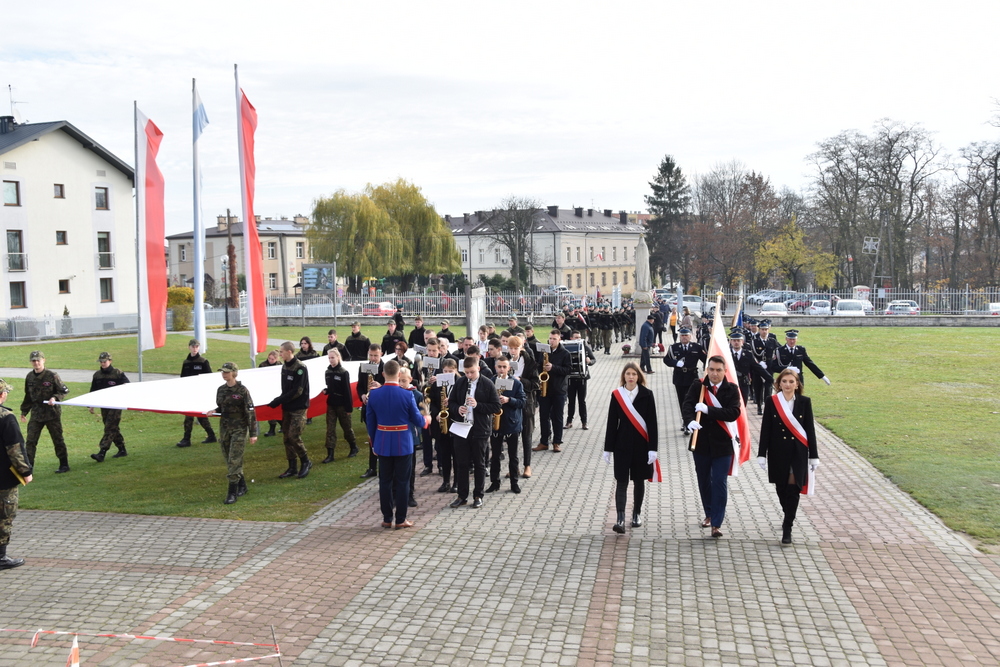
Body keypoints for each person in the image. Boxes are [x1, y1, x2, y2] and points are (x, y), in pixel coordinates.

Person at [757, 368, 820, 545]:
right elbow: (766, 429)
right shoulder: (772, 401)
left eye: (791, 381)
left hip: (798, 452)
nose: (787, 384)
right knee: (781, 489)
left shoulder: (804, 402)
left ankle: (787, 526)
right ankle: (788, 513)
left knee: (793, 488)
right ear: (779, 384)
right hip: (777, 451)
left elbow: (810, 430)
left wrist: (814, 456)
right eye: (784, 381)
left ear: (797, 384)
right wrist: (761, 454)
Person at [683, 356, 742, 538]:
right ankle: (709, 513)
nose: (714, 373)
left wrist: (709, 410)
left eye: (718, 370)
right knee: (704, 481)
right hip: (701, 443)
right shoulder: (698, 386)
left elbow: (733, 413)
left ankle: (716, 523)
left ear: (725, 371)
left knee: (719, 482)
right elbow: (687, 405)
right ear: (707, 370)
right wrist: (689, 421)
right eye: (711, 369)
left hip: (722, 445)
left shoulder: (732, 389)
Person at [366, 360, 427, 529]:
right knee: (402, 482)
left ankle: (387, 518)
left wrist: (374, 443)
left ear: (383, 374)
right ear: (399, 374)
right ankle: (400, 519)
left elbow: (370, 422)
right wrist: (426, 420)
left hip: (383, 441)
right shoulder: (407, 395)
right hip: (403, 442)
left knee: (385, 481)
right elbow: (418, 420)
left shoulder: (374, 395)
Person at [603, 363, 658, 533]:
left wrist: (653, 448)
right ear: (624, 376)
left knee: (639, 480)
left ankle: (636, 514)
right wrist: (608, 448)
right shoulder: (617, 395)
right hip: (622, 445)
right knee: (621, 481)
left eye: (634, 374)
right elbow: (612, 422)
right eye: (628, 373)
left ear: (638, 376)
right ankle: (620, 518)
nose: (631, 377)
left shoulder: (647, 394)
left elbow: (652, 423)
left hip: (641, 445)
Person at [448, 357, 501, 508]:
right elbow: (451, 402)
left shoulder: (487, 384)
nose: (469, 375)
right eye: (466, 373)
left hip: (480, 429)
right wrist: (457, 408)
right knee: (462, 463)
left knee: (479, 463)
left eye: (472, 372)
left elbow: (496, 406)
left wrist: (478, 405)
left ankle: (478, 495)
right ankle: (462, 496)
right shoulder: (460, 382)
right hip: (462, 428)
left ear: (478, 368)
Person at [267, 341, 313, 479]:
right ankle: (292, 466)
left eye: (281, 352)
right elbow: (285, 388)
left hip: (298, 407)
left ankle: (305, 461)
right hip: (287, 407)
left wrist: (279, 400)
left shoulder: (300, 368)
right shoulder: (284, 367)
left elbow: (297, 391)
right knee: (286, 437)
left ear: (289, 352)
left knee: (294, 436)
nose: (280, 354)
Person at [1, 378, 33, 569]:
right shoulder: (6, 417)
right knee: (5, 515)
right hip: (3, 478)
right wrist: (26, 471)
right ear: (2, 395)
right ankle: (1, 557)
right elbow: (15, 449)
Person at [20, 351, 70, 471]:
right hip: (36, 414)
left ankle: (64, 464)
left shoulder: (52, 375)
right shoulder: (29, 377)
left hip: (52, 413)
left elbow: (64, 390)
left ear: (43, 360)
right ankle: (29, 467)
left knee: (57, 439)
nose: (36, 363)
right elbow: (28, 396)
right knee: (31, 441)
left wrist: (55, 398)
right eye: (33, 360)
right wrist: (24, 411)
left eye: (38, 360)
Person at [216, 362, 258, 504]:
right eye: (223, 372)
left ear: (234, 373)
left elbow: (250, 412)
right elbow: (221, 407)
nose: (224, 374)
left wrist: (253, 433)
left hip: (239, 428)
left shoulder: (242, 391)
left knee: (234, 459)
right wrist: (214, 410)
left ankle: (231, 492)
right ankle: (242, 486)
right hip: (225, 428)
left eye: (227, 372)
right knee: (229, 459)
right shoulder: (221, 390)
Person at [487, 357, 525, 494]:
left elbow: (522, 402)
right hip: (495, 423)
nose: (502, 369)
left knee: (513, 456)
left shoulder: (516, 383)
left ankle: (514, 483)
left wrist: (509, 400)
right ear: (495, 367)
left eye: (504, 367)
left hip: (511, 423)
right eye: (499, 367)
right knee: (495, 455)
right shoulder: (491, 382)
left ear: (509, 368)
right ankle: (494, 482)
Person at [533, 330, 572, 453]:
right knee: (543, 416)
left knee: (557, 417)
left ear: (559, 339)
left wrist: (553, 367)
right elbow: (539, 366)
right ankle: (544, 442)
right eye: (550, 338)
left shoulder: (565, 353)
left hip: (559, 390)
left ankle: (557, 442)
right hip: (545, 389)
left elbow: (568, 370)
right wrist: (541, 369)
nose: (551, 341)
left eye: (554, 339)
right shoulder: (544, 351)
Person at [663, 327, 706, 434]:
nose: (684, 337)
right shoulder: (674, 347)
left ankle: (693, 420)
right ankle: (685, 422)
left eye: (686, 335)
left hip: (692, 377)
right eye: (682, 335)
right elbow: (666, 360)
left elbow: (705, 359)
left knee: (692, 400)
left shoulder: (696, 347)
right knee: (682, 401)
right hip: (680, 378)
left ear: (690, 336)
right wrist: (675, 363)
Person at [88, 352, 130, 462]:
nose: (102, 363)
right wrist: (90, 404)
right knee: (113, 427)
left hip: (116, 404)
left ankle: (102, 452)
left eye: (104, 361)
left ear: (110, 361)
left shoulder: (117, 373)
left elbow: (127, 386)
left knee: (109, 427)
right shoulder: (97, 375)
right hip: (104, 404)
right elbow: (93, 390)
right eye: (101, 361)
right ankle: (122, 449)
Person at [507, 335, 537, 478]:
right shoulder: (505, 361)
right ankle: (514, 467)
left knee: (526, 434)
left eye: (515, 348)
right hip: (511, 402)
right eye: (511, 348)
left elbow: (535, 384)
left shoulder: (530, 362)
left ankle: (527, 466)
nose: (513, 351)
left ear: (521, 348)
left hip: (526, 402)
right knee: (512, 436)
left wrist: (520, 380)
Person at [177, 339, 216, 448]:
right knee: (200, 416)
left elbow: (209, 377)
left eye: (196, 347)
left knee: (190, 415)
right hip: (189, 393)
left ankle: (186, 438)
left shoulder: (203, 361)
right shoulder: (186, 362)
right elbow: (182, 378)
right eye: (193, 346)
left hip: (200, 393)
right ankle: (211, 435)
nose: (195, 349)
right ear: (189, 347)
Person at [428, 357, 458, 492]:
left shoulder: (460, 383)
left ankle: (456, 482)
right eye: (445, 371)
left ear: (455, 370)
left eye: (450, 371)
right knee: (444, 454)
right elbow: (432, 402)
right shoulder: (437, 383)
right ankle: (446, 481)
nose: (447, 374)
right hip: (442, 423)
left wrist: (450, 403)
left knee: (456, 455)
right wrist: (436, 413)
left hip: (455, 422)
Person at [398, 367, 426, 508]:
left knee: (410, 467)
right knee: (397, 467)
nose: (401, 383)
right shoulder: (396, 393)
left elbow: (422, 414)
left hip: (411, 435)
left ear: (410, 379)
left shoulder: (417, 395)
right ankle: (396, 494)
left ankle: (410, 494)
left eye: (404, 380)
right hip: (398, 434)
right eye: (399, 380)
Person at [323, 349, 357, 463]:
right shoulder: (327, 372)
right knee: (330, 429)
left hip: (342, 404)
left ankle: (353, 447)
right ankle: (330, 454)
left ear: (338, 357)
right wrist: (326, 391)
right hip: (331, 404)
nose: (331, 360)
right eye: (329, 358)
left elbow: (347, 391)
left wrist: (349, 408)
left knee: (346, 428)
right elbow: (330, 387)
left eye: (333, 357)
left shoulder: (343, 372)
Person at [357, 344, 385, 478]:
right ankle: (372, 467)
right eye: (371, 355)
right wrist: (362, 395)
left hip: (381, 408)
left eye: (376, 355)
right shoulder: (363, 367)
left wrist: (381, 386)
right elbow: (359, 386)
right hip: (368, 408)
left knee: (383, 437)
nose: (373, 358)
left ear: (381, 354)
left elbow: (392, 386)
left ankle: (384, 467)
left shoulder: (386, 368)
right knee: (371, 438)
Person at [729, 330, 771, 407]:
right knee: (731, 405)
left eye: (738, 340)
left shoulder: (748, 354)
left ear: (742, 342)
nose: (736, 342)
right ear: (730, 341)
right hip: (730, 384)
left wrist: (770, 378)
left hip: (743, 383)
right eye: (734, 340)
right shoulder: (727, 354)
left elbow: (757, 367)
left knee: (743, 405)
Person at [565, 331, 595, 430]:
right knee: (571, 401)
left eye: (579, 337)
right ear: (571, 338)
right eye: (576, 337)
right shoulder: (566, 348)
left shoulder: (584, 347)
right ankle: (569, 421)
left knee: (582, 401)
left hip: (582, 378)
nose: (578, 339)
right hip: (571, 379)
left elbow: (593, 359)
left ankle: (584, 422)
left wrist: (589, 361)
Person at [258, 350, 283, 437]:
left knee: (278, 409)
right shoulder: (263, 365)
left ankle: (282, 425)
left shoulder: (280, 365)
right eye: (269, 358)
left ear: (277, 359)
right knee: (270, 410)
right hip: (267, 390)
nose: (270, 360)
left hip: (277, 389)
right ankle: (273, 429)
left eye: (272, 359)